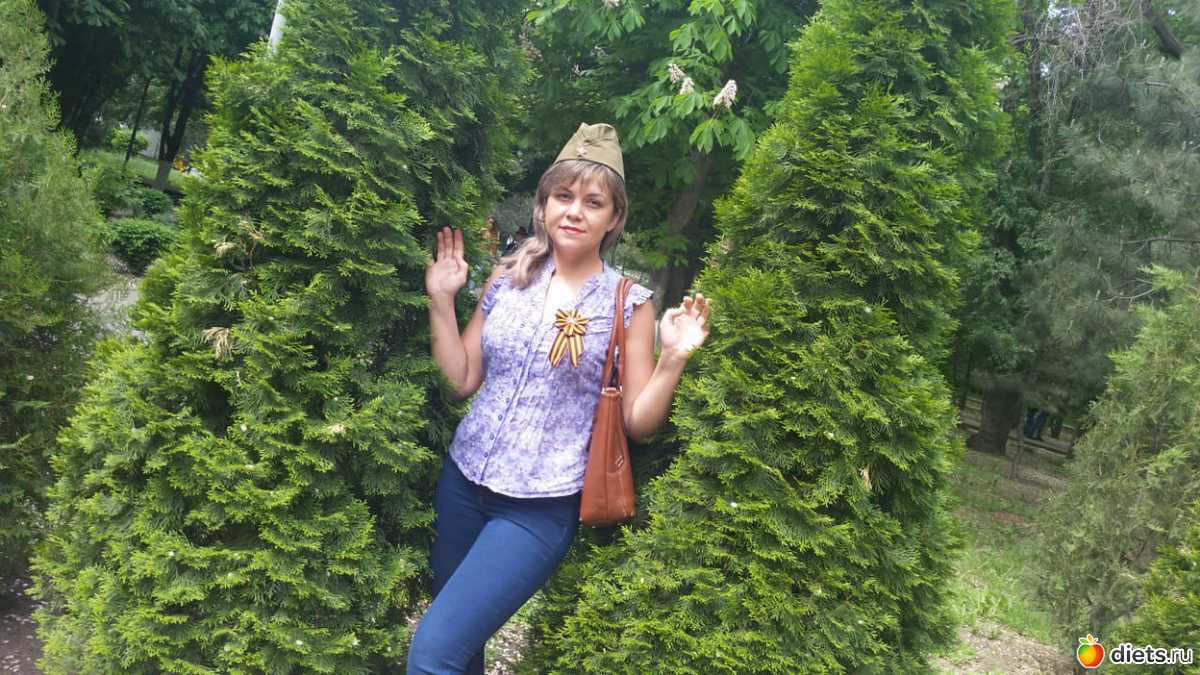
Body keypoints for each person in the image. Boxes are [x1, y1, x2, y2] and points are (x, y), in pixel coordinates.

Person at [412, 123, 711, 674]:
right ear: (544, 205)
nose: (575, 211)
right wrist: (441, 300)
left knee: (432, 653)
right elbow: (461, 378)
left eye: (593, 202)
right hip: (462, 485)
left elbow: (638, 422)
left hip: (537, 510)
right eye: (563, 196)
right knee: (459, 653)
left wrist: (672, 359)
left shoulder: (629, 303)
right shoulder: (508, 278)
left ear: (613, 218)